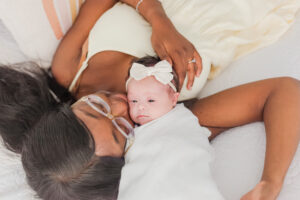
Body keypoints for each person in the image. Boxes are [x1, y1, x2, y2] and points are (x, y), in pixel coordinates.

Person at [0, 0, 299, 199]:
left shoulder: (70, 68)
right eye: (121, 129)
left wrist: (159, 21)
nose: (119, 103)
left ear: (64, 111)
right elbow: (282, 92)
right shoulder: (165, 118)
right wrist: (270, 182)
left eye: (96, 107)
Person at [119, 56, 225, 199]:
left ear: (174, 99)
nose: (141, 106)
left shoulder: (182, 119)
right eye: (134, 101)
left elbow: (191, 143)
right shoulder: (130, 130)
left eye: (151, 100)